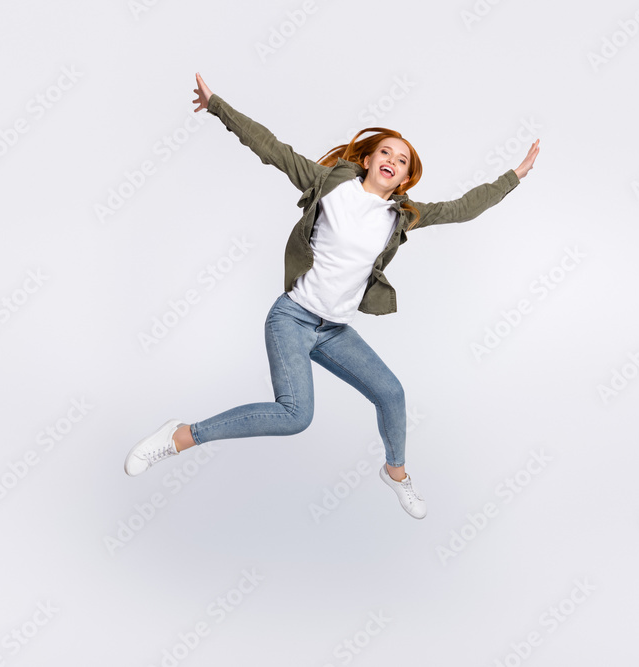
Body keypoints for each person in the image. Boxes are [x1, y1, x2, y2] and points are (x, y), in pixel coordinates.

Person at [124, 72, 540, 519]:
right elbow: (271, 149)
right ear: (369, 158)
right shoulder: (330, 185)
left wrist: (513, 176)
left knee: (392, 394)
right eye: (386, 152)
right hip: (293, 319)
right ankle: (183, 435)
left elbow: (463, 209)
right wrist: (217, 106)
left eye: (402, 161)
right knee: (295, 416)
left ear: (404, 177)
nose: (393, 161)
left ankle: (395, 474)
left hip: (334, 330)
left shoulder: (401, 216)